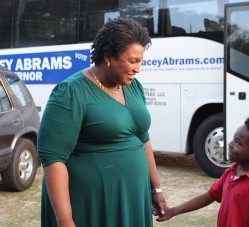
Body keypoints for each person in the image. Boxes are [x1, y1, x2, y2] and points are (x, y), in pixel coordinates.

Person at [37, 17, 165, 227]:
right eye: (132, 61)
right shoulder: (71, 92)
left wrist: (156, 188)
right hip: (92, 203)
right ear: (108, 57)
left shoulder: (133, 87)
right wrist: (65, 220)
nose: (137, 69)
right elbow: (53, 158)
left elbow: (144, 141)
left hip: (132, 197)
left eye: (140, 62)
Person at [154, 116, 249, 227]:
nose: (230, 144)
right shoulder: (232, 172)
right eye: (233, 138)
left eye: (238, 142)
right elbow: (209, 196)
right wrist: (173, 211)